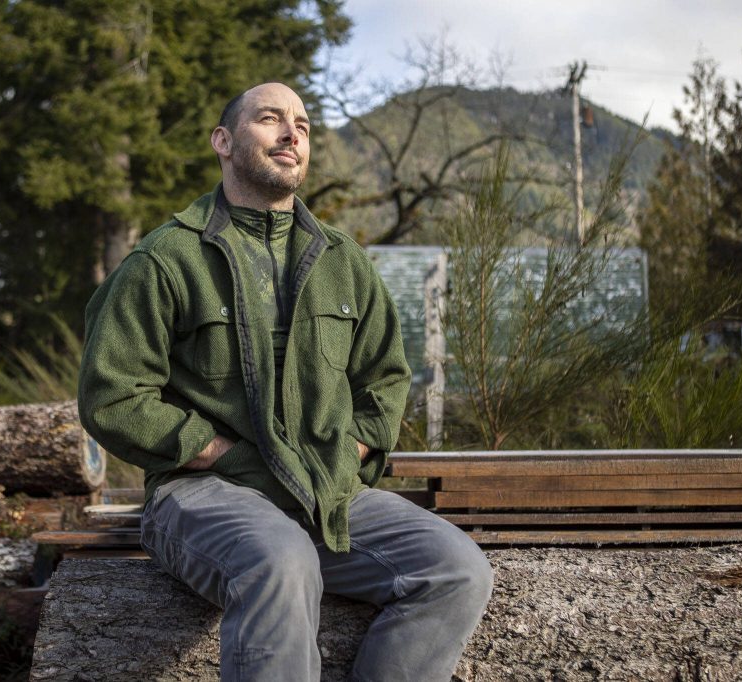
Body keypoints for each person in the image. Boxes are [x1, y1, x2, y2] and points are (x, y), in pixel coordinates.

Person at [77, 82, 493, 681]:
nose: (291, 132)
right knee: (281, 558)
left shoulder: (342, 262)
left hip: (324, 492)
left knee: (456, 568)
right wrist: (214, 451)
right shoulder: (166, 259)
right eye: (269, 118)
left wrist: (345, 453)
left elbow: (386, 379)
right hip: (202, 494)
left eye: (301, 123)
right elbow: (111, 395)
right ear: (223, 141)